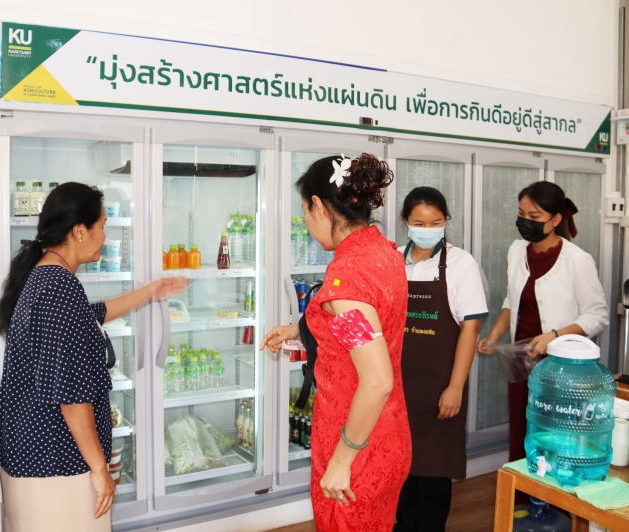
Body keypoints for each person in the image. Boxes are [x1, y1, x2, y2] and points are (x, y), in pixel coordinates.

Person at [0, 182, 186, 532]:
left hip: (32, 456)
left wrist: (150, 292)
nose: (105, 235)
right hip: (54, 462)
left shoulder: (45, 275)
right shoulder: (59, 289)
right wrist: (99, 468)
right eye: (102, 225)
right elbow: (71, 395)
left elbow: (89, 316)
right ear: (79, 231)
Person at [260, 153, 410, 531]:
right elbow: (368, 324)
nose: (307, 222)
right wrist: (299, 329)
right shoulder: (383, 252)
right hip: (388, 430)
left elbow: (376, 380)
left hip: (356, 444)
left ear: (318, 206)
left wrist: (342, 460)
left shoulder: (346, 277)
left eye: (304, 212)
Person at [478, 181, 608, 463]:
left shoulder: (577, 259)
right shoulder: (516, 251)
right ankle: (520, 490)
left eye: (534, 216)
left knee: (553, 435)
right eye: (521, 214)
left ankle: (550, 490)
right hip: (522, 363)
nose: (525, 221)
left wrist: (554, 336)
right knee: (521, 429)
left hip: (560, 369)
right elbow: (512, 299)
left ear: (556, 219)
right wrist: (494, 335)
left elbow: (597, 315)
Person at [394, 187, 488, 532]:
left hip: (440, 387)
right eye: (419, 223)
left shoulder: (461, 263)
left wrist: (455, 387)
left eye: (435, 222)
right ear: (405, 222)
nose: (428, 229)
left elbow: (470, 329)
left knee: (433, 474)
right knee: (400, 470)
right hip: (398, 386)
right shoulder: (393, 260)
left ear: (445, 221)